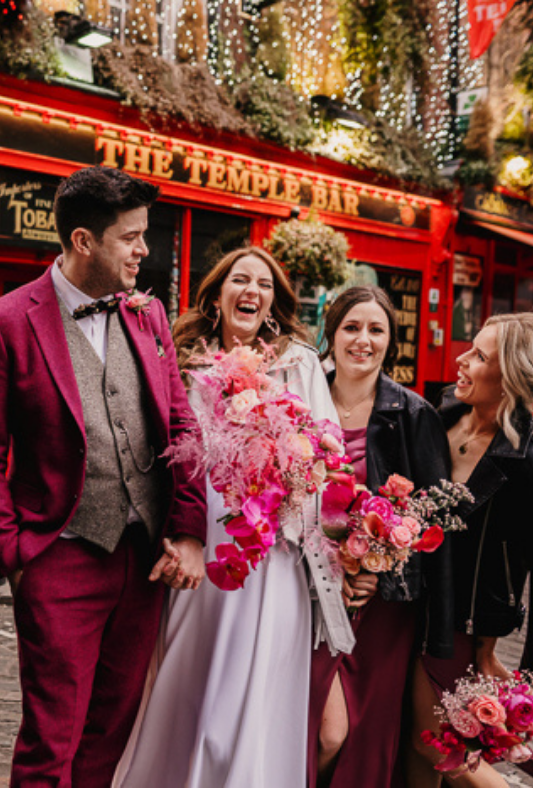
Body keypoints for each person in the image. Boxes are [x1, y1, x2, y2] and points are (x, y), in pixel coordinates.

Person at [0, 165, 207, 787]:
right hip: (60, 554)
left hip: (142, 560)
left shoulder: (149, 315)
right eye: (130, 237)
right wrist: (15, 554)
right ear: (83, 241)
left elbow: (181, 425)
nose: (144, 250)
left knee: (110, 731)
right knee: (51, 741)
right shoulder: (4, 321)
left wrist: (188, 531)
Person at [114, 246, 353, 787]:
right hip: (200, 544)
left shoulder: (299, 363)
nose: (253, 291)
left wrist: (295, 475)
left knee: (255, 691)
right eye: (240, 280)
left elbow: (329, 456)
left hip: (274, 553)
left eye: (264, 285)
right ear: (216, 297)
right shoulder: (184, 362)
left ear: (273, 302)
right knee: (190, 681)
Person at [307, 286, 450, 787]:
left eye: (376, 330)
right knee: (318, 730)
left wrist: (378, 574)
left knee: (364, 734)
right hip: (306, 599)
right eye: (351, 327)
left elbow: (430, 524)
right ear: (331, 334)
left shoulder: (413, 415)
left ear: (391, 341)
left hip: (380, 609)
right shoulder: (302, 399)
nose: (362, 340)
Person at [407, 313, 533, 788]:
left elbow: (516, 561)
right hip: (409, 606)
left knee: (438, 748)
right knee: (416, 748)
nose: (460, 359)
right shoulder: (441, 414)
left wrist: (492, 651)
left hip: (460, 625)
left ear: (511, 377)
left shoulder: (524, 458)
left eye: (479, 355)